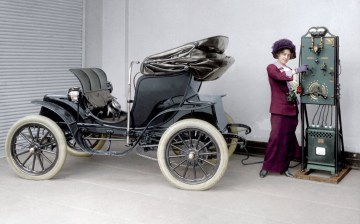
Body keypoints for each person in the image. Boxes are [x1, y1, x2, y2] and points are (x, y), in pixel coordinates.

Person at [259, 39, 308, 178]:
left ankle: (284, 168)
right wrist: (297, 70)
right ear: (277, 54)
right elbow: (280, 77)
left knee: (288, 139)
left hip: (292, 109)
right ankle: (266, 167)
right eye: (283, 54)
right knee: (275, 139)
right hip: (279, 110)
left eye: (288, 54)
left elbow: (295, 89)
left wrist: (299, 89)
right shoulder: (272, 67)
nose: (286, 57)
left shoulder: (290, 70)